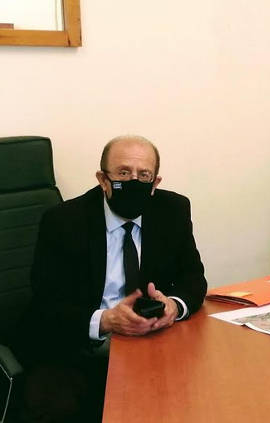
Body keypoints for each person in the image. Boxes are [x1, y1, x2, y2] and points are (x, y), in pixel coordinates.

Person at [15, 135, 207, 422]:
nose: (133, 181)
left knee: (191, 397)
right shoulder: (64, 221)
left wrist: (173, 306)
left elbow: (193, 277)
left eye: (144, 175)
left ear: (155, 183)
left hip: (148, 344)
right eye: (123, 173)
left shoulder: (172, 210)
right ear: (103, 180)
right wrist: (105, 320)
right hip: (75, 347)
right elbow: (47, 302)